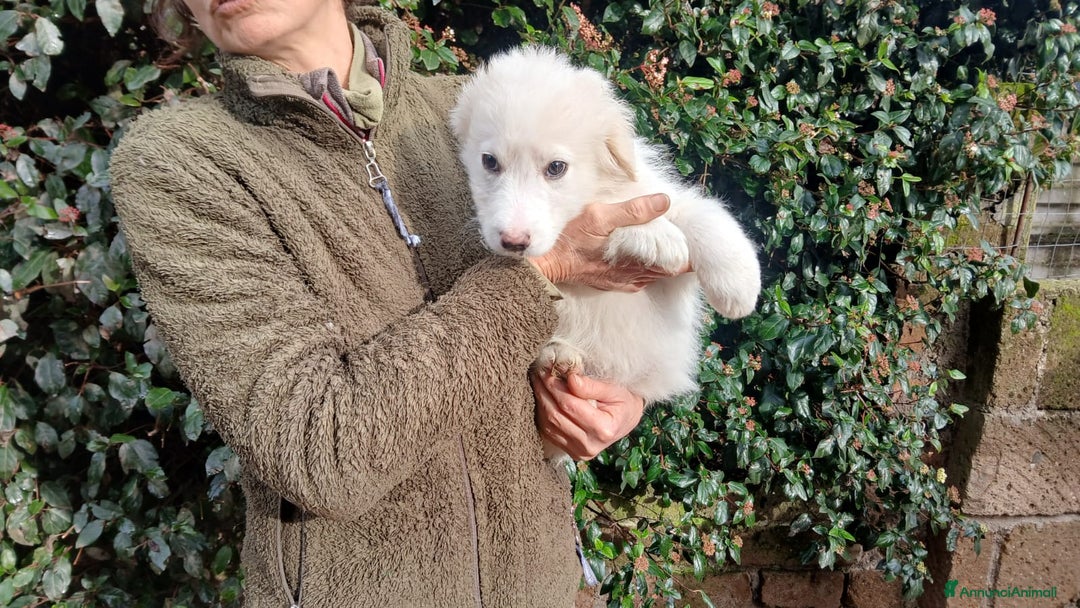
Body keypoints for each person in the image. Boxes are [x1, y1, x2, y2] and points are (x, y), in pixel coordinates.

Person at [110, 1, 684, 606]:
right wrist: (538, 277)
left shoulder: (477, 110)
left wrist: (620, 397)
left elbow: (624, 231)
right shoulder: (183, 164)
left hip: (541, 584)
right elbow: (318, 455)